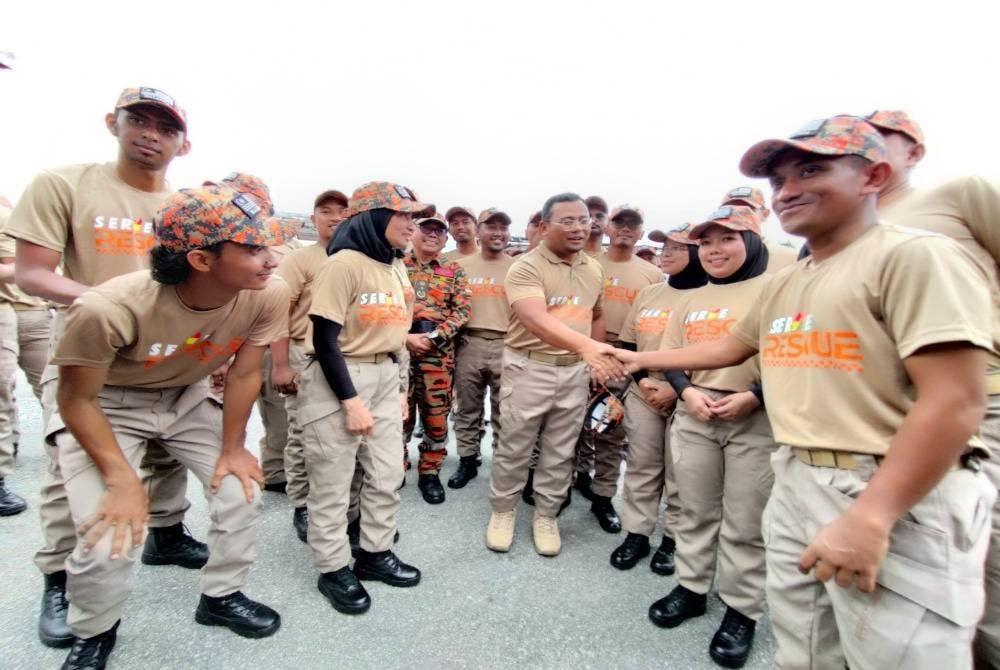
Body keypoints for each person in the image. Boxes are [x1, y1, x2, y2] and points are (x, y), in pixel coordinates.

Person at [620, 115, 995, 668]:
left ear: (874, 176)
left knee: (896, 654)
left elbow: (956, 400)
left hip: (886, 486)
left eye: (811, 171)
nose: (788, 190)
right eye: (780, 181)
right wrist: (635, 357)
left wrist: (873, 515)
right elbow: (728, 349)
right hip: (799, 475)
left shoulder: (916, 255)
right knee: (807, 649)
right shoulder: (795, 279)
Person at [52, 184, 288, 669]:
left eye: (268, 246)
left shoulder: (266, 294)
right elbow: (76, 398)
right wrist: (121, 480)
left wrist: (234, 447)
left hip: (185, 396)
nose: (270, 260)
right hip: (108, 405)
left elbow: (245, 372)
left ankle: (221, 597)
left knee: (238, 490)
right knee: (108, 533)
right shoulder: (107, 308)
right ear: (201, 260)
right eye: (252, 249)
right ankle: (95, 629)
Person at [6, 86, 206, 649]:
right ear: (111, 123)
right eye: (138, 121)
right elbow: (32, 273)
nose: (150, 134)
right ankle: (60, 580)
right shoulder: (65, 184)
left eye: (165, 128)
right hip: (90, 355)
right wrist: (109, 308)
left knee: (167, 456)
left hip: (173, 356)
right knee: (74, 471)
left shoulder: (183, 208)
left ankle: (165, 535)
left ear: (183, 144)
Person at [865, 108, 1000, 668]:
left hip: (974, 398)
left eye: (881, 139)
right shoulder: (842, 226)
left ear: (914, 152)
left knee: (980, 547)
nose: (864, 147)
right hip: (881, 406)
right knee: (907, 557)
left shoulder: (960, 195)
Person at [644, 205, 774, 668]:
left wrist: (755, 395)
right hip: (697, 413)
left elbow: (787, 355)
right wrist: (686, 392)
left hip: (753, 416)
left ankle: (742, 609)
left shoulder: (774, 288)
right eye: (708, 242)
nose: (715, 250)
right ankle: (692, 586)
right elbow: (673, 356)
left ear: (753, 241)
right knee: (695, 508)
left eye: (728, 239)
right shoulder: (692, 298)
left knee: (745, 519)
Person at [297, 181, 426, 616]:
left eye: (414, 216)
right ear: (372, 217)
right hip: (341, 377)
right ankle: (333, 567)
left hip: (387, 376)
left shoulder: (395, 266)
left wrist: (402, 391)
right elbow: (325, 339)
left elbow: (396, 336)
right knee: (333, 483)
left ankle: (374, 552)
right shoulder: (344, 264)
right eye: (403, 215)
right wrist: (350, 401)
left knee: (387, 473)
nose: (412, 224)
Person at [485, 192, 627, 557]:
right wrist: (588, 350)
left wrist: (592, 359)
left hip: (574, 372)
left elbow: (596, 315)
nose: (581, 227)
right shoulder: (527, 267)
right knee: (515, 446)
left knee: (560, 450)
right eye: (569, 221)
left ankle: (546, 515)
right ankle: (503, 511)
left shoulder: (593, 268)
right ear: (545, 227)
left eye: (584, 219)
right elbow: (535, 318)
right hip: (529, 367)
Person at [611, 223, 707, 575]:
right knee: (642, 466)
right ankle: (636, 532)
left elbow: (718, 353)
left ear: (697, 252)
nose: (665, 253)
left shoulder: (710, 297)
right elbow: (629, 346)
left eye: (676, 248)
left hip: (691, 395)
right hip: (645, 390)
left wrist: (678, 388)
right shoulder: (649, 294)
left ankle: (674, 539)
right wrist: (644, 383)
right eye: (663, 246)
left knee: (682, 473)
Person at [575, 205, 663, 533]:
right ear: (609, 228)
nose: (625, 230)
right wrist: (592, 356)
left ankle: (602, 495)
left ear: (641, 233)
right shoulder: (590, 263)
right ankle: (579, 475)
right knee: (577, 425)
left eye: (633, 225)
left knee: (611, 430)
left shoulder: (650, 273)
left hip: (629, 358)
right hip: (587, 350)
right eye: (620, 223)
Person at [274, 188, 349, 541]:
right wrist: (280, 365)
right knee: (303, 435)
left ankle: (342, 505)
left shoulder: (357, 257)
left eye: (342, 211)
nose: (335, 217)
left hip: (346, 357)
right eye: (326, 211)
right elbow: (278, 314)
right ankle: (303, 504)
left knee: (340, 437)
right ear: (313, 218)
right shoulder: (301, 260)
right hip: (305, 357)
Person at [402, 212, 470, 503]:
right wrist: (405, 338)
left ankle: (430, 471)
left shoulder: (454, 270)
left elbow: (463, 310)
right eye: (426, 229)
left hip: (438, 354)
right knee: (398, 414)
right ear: (413, 232)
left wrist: (435, 337)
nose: (432, 234)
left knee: (436, 417)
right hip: (400, 351)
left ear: (445, 238)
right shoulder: (395, 264)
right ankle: (395, 464)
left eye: (439, 231)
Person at [449, 208, 515, 489]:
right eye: (491, 227)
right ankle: (467, 460)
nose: (498, 232)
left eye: (503, 227)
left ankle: (502, 465)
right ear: (479, 231)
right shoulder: (461, 266)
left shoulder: (518, 267)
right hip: (470, 342)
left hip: (507, 344)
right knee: (468, 408)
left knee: (506, 411)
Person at [0, 200, 53, 516]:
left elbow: (17, 265)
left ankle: (70, 462)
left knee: (54, 392)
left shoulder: (8, 209)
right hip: (8, 309)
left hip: (31, 310)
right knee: (2, 396)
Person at [720, 186, 799, 272]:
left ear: (765, 214)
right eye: (730, 209)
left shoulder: (791, 258)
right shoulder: (709, 259)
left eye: (747, 210)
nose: (738, 215)